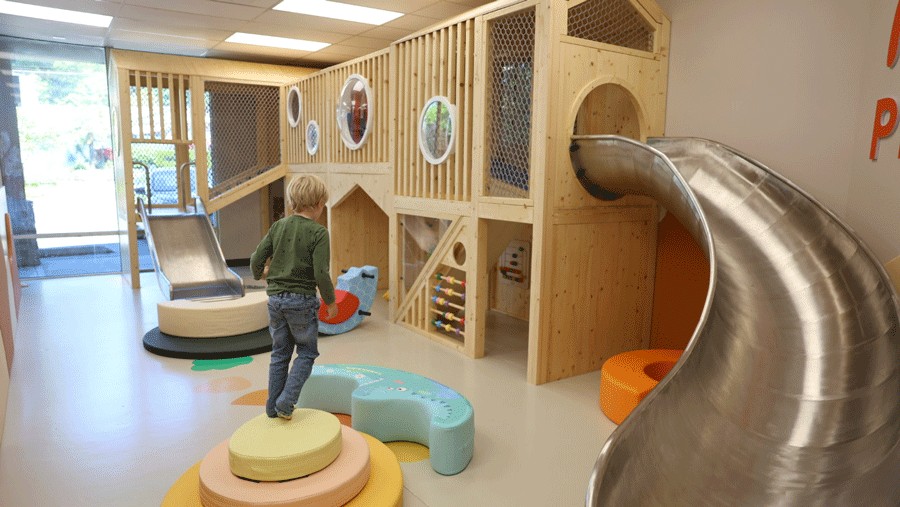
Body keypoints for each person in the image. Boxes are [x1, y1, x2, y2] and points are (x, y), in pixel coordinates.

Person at [250, 174, 338, 420]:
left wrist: (260, 274)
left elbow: (256, 258)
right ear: (319, 204)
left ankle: (272, 407)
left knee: (280, 354)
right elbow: (321, 272)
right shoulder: (319, 233)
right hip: (301, 301)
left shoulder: (278, 226)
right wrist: (331, 302)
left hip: (276, 300)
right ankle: (286, 403)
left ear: (292, 201)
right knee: (307, 353)